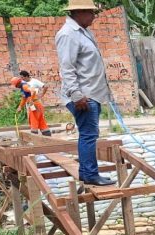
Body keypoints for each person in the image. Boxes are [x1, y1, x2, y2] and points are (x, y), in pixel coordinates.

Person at [55, 0, 115, 186]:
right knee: (88, 134)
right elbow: (67, 67)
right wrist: (76, 94)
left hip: (92, 93)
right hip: (83, 96)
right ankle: (90, 174)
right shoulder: (68, 34)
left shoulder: (83, 32)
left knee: (89, 134)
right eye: (91, 13)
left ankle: (87, 172)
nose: (93, 17)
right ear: (79, 12)